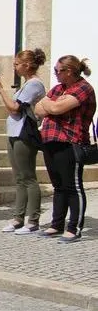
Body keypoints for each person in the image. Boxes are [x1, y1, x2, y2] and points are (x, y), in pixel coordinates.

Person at [34, 55, 95, 243]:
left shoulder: (83, 88)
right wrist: (49, 104)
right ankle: (56, 224)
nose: (55, 75)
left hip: (71, 142)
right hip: (51, 141)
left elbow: (58, 108)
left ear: (69, 71)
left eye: (57, 71)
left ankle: (74, 227)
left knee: (73, 187)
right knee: (58, 186)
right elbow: (38, 109)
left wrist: (50, 104)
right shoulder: (59, 89)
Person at [0, 49, 47, 235]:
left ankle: (33, 220)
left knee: (28, 177)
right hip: (15, 132)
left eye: (17, 64)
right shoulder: (26, 85)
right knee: (19, 178)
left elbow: (15, 108)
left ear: (27, 65)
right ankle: (18, 217)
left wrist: (1, 90)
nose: (14, 67)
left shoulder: (34, 84)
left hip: (25, 133)